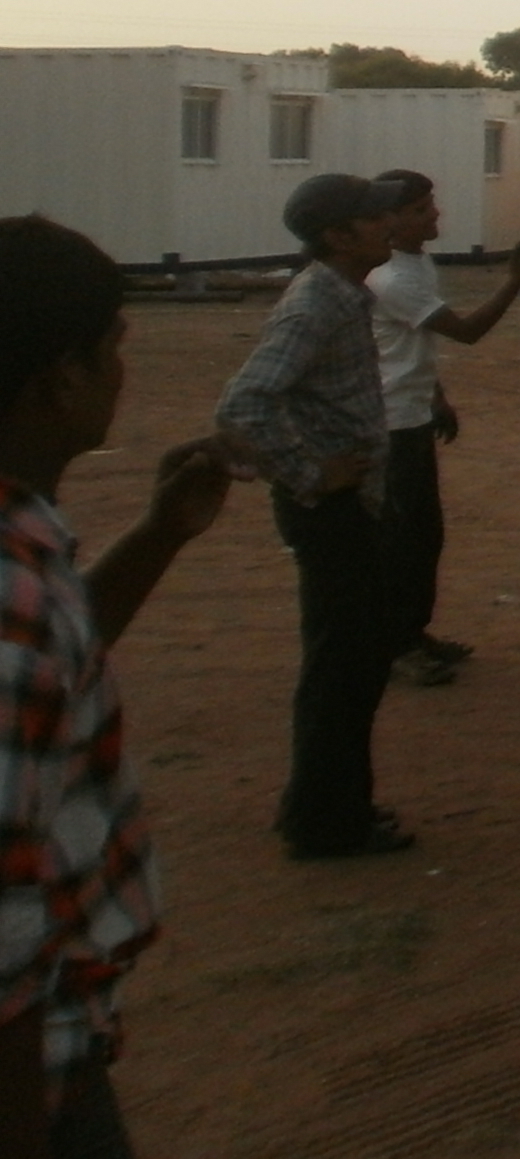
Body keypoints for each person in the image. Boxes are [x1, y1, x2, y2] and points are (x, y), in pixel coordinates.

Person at [0, 219, 237, 1158]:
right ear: (62, 375)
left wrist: (159, 535)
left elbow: (56, 657)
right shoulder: (7, 599)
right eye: (111, 352)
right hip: (36, 1087)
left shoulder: (27, 542)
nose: (118, 375)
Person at [215, 173, 414, 861]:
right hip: (331, 514)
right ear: (336, 235)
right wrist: (311, 474)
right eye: (373, 217)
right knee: (340, 668)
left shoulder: (343, 295)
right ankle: (327, 824)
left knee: (354, 665)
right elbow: (244, 406)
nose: (388, 224)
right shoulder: (315, 305)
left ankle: (334, 810)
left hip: (350, 507)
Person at [364, 173, 520, 688]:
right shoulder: (392, 279)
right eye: (421, 210)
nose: (435, 216)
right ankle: (395, 644)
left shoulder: (413, 264)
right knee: (403, 539)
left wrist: (436, 395)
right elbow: (465, 332)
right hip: (393, 424)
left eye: (431, 205)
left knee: (422, 536)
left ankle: (411, 633)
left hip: (412, 414)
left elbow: (411, 344)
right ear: (390, 223)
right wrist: (515, 280)